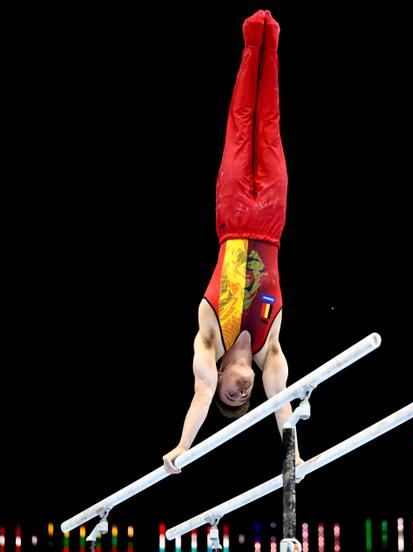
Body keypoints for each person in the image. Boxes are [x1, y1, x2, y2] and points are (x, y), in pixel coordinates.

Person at [163, 9, 301, 474]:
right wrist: (293, 453)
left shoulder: (208, 339)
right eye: (245, 399)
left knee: (243, 123)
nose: (240, 395)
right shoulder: (271, 349)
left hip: (234, 218)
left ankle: (251, 44)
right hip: (273, 224)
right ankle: (274, 47)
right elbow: (280, 400)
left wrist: (183, 446)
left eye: (231, 396)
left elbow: (200, 393)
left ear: (219, 376)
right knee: (271, 126)